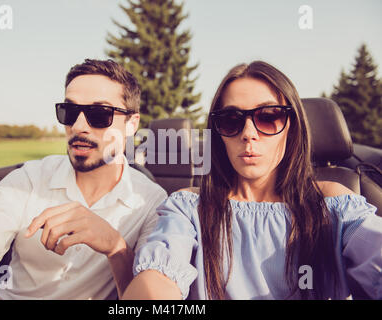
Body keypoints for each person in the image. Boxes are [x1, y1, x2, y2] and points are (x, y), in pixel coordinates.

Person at [122, 61, 382, 300]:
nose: (248, 134)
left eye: (268, 117)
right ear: (218, 133)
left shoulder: (333, 205)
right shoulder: (188, 208)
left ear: (292, 126)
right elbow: (159, 277)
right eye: (231, 120)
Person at [0, 59, 167, 300]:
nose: (78, 126)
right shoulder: (28, 180)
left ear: (132, 124)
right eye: (70, 111)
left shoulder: (151, 202)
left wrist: (116, 247)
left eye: (99, 114)